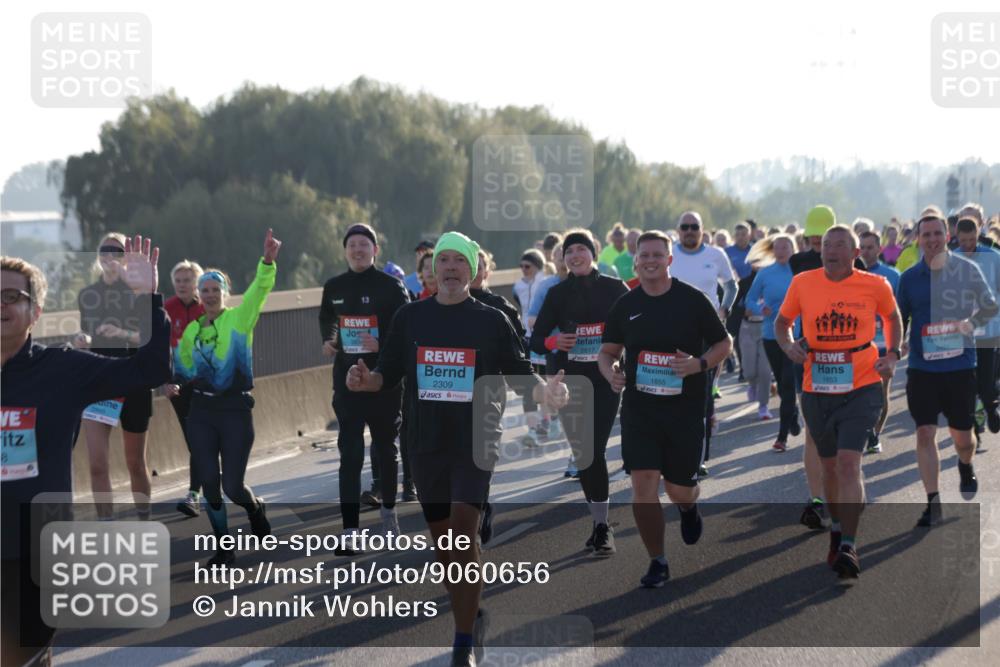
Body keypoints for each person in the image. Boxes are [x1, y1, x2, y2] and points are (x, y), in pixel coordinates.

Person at [347, 231, 568, 667]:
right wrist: (365, 380)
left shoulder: (489, 320)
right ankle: (472, 609)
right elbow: (387, 372)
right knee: (446, 545)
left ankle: (463, 637)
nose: (449, 268)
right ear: (431, 271)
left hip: (475, 440)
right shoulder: (410, 318)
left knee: (464, 531)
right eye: (442, 261)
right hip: (425, 443)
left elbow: (518, 371)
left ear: (471, 269)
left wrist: (545, 394)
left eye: (458, 261)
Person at [2, 240, 170, 667]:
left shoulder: (61, 369)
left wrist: (148, 300)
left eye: (11, 296)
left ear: (35, 313)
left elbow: (148, 371)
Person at [599, 231, 732, 587]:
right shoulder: (626, 305)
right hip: (640, 410)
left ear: (669, 260)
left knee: (678, 489)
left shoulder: (692, 300)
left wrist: (699, 364)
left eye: (658, 254)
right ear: (637, 260)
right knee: (643, 485)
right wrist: (610, 372)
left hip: (685, 409)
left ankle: (688, 508)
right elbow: (607, 352)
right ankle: (657, 560)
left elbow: (724, 343)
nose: (650, 260)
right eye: (645, 255)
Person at [776, 225, 902, 579]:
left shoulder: (876, 285)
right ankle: (835, 527)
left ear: (855, 253)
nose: (830, 250)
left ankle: (849, 543)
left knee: (849, 464)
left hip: (861, 384)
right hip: (816, 386)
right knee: (829, 469)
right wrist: (789, 347)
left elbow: (891, 317)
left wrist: (891, 355)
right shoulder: (803, 283)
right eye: (826, 245)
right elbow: (782, 322)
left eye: (839, 245)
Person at [170, 229, 282, 566]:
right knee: (209, 482)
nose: (208, 295)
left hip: (234, 410)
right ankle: (224, 548)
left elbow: (260, 290)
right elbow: (182, 367)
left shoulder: (239, 319)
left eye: (215, 289)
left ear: (225, 293)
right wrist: (171, 381)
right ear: (198, 295)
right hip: (201, 410)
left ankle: (254, 509)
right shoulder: (192, 330)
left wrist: (267, 261)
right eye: (204, 290)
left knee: (233, 486)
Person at [897, 208, 998, 528]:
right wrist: (896, 345)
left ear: (947, 235)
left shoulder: (967, 270)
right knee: (925, 432)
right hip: (922, 368)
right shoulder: (910, 278)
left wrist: (971, 324)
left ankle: (965, 465)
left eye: (937, 233)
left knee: (963, 438)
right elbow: (898, 319)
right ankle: (933, 501)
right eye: (925, 234)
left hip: (959, 366)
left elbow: (990, 306)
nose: (932, 239)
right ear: (917, 239)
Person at [531, 228, 629, 554]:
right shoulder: (558, 293)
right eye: (569, 251)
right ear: (562, 258)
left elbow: (634, 329)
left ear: (593, 253)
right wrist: (554, 341)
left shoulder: (615, 288)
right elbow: (534, 339)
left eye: (581, 250)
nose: (575, 256)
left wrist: (624, 366)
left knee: (593, 449)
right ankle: (598, 521)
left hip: (604, 379)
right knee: (583, 453)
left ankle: (602, 527)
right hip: (569, 382)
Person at [319, 223, 410, 552]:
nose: (357, 250)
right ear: (345, 251)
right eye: (352, 245)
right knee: (350, 454)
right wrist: (329, 339)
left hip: (385, 381)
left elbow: (406, 331)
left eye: (364, 244)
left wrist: (381, 341)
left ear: (375, 250)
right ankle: (350, 531)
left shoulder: (392, 286)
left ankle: (388, 515)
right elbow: (327, 319)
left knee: (385, 450)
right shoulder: (334, 286)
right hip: (347, 382)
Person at [789, 205, 867, 531]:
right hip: (822, 355)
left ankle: (820, 497)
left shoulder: (798, 262)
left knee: (816, 434)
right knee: (826, 435)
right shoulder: (847, 262)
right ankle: (826, 497)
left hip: (823, 353)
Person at [75, 232, 156, 519]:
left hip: (133, 379)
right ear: (98, 256)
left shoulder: (137, 290)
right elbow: (88, 331)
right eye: (105, 250)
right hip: (99, 381)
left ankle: (145, 520)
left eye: (117, 250)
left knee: (135, 462)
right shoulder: (87, 295)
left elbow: (150, 337)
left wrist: (122, 333)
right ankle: (106, 527)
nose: (110, 255)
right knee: (97, 464)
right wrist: (81, 338)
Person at [668, 211, 738, 476]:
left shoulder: (715, 255)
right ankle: (671, 451)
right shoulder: (669, 254)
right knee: (671, 395)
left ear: (701, 229)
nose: (689, 231)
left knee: (703, 398)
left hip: (707, 333)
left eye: (694, 227)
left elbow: (731, 286)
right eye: (684, 227)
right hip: (671, 331)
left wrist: (725, 311)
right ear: (678, 230)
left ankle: (697, 458)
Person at [745, 234, 800, 450]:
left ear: (793, 248)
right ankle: (792, 413)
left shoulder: (800, 272)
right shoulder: (766, 273)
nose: (781, 250)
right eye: (777, 247)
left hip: (797, 336)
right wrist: (761, 309)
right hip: (771, 334)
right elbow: (749, 299)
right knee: (784, 384)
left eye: (785, 246)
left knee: (787, 382)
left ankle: (782, 437)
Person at [166, 260, 207, 517]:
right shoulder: (165, 309)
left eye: (187, 281)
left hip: (205, 384)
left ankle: (194, 493)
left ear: (197, 284)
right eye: (178, 281)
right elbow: (158, 349)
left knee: (200, 439)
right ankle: (206, 476)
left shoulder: (208, 307)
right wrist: (166, 381)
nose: (182, 285)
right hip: (178, 385)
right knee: (194, 440)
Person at [954, 216, 1000, 435]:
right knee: (966, 383)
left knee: (986, 380)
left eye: (971, 240)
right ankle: (973, 429)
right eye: (963, 241)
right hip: (963, 332)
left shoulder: (993, 257)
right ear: (956, 237)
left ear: (978, 234)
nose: (967, 245)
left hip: (988, 329)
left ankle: (991, 409)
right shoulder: (952, 260)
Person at [859, 231, 901, 454]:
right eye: (862, 247)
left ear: (878, 249)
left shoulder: (892, 276)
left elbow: (901, 313)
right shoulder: (851, 274)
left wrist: (900, 343)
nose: (866, 251)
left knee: (880, 392)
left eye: (869, 247)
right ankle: (864, 432)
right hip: (859, 345)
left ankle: (874, 433)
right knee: (859, 393)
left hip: (883, 343)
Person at [725, 221, 755, 380]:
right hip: (733, 296)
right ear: (734, 236)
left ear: (749, 235)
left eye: (744, 234)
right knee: (732, 333)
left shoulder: (755, 251)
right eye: (738, 235)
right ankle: (729, 357)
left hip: (751, 295)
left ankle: (745, 368)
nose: (741, 237)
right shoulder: (727, 252)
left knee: (748, 335)